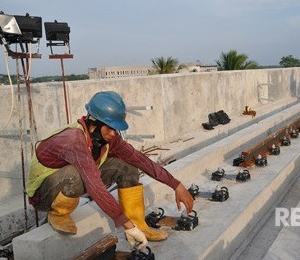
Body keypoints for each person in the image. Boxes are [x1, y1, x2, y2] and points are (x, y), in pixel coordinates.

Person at [26, 91, 194, 250]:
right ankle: (59, 214)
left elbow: (140, 160)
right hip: (44, 194)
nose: (114, 134)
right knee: (74, 174)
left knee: (126, 166)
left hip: (74, 182)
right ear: (93, 124)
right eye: (110, 128)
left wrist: (176, 185)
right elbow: (94, 186)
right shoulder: (73, 141)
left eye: (116, 129)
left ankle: (140, 225)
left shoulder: (108, 138)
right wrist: (125, 225)